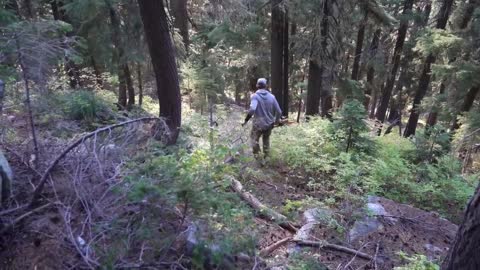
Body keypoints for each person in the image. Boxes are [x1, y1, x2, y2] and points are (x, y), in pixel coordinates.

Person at [242, 78, 282, 159]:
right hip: (269, 123)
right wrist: (276, 121)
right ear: (266, 86)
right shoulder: (272, 97)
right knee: (266, 140)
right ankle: (266, 158)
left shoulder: (255, 96)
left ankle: (258, 157)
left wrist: (246, 120)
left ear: (257, 86)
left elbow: (252, 109)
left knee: (254, 139)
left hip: (258, 124)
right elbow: (279, 111)